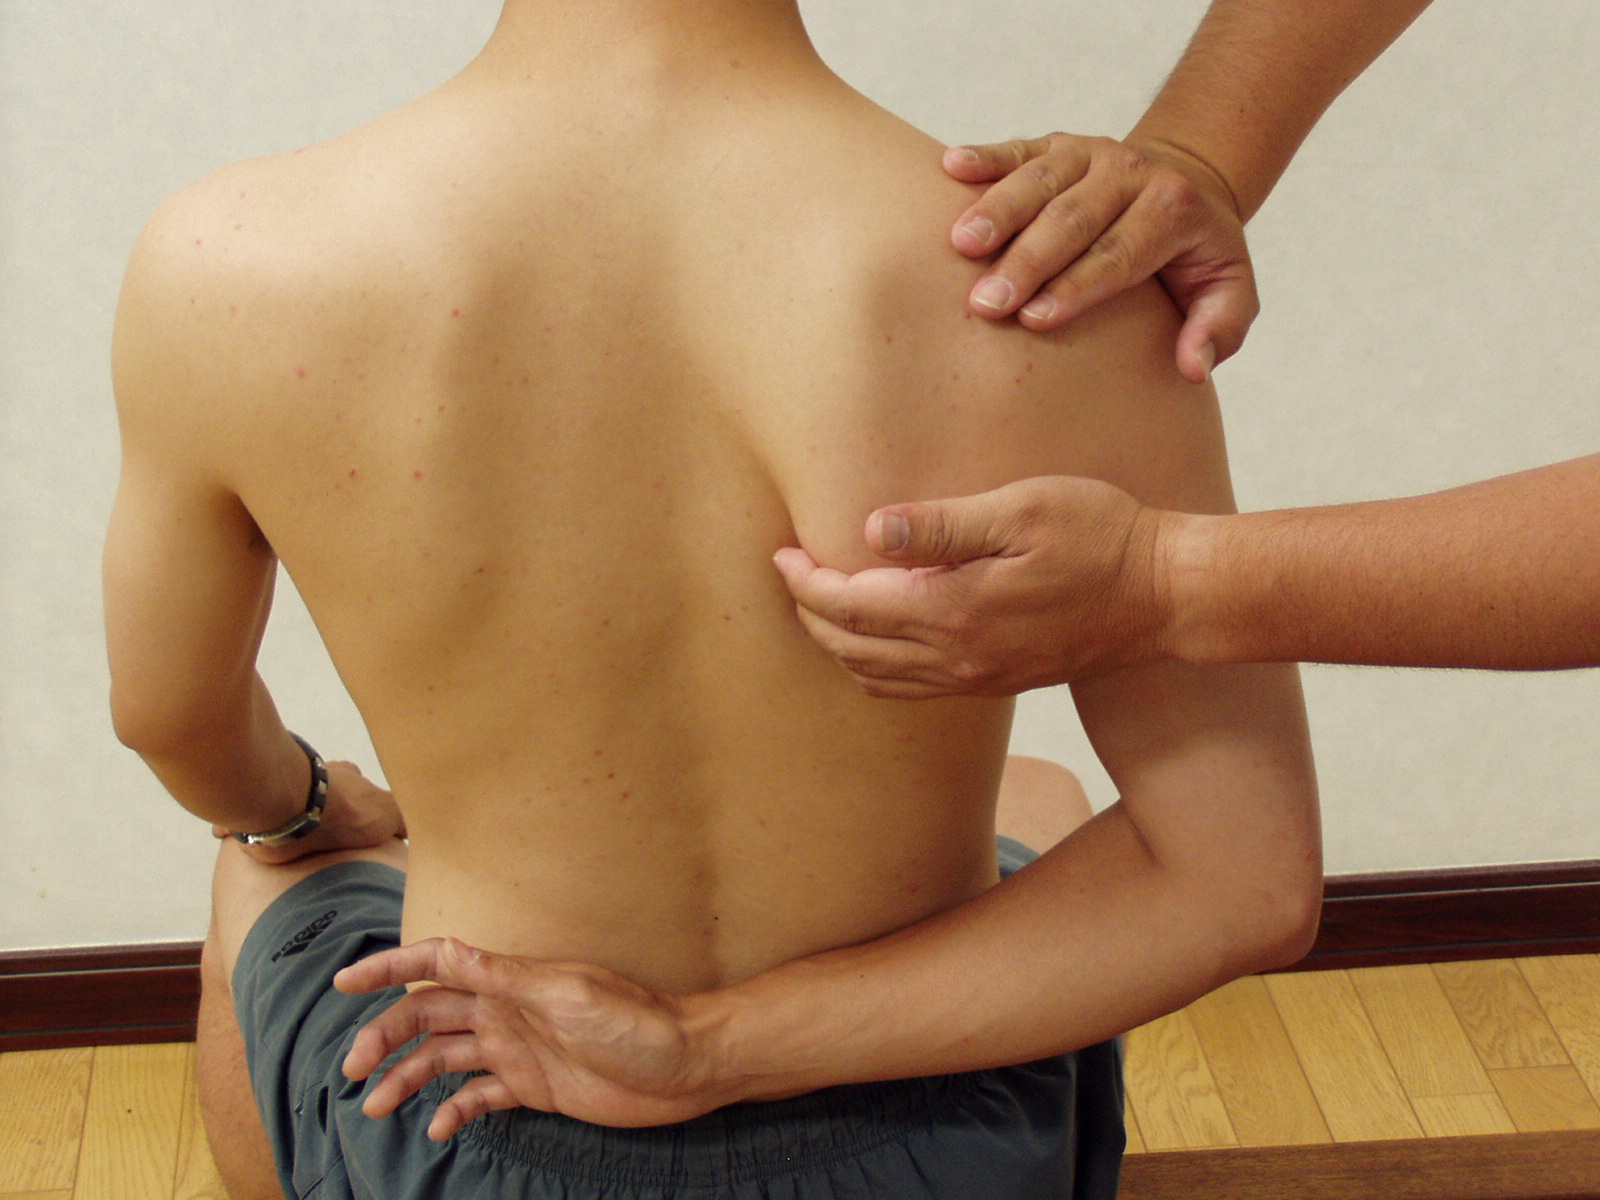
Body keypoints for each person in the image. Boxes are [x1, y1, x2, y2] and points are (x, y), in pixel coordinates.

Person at [103, 2, 1319, 1198]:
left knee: (261, 860)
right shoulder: (1065, 268)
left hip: (482, 1128)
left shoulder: (227, 263)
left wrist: (304, 811)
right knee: (1038, 792)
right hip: (941, 1139)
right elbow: (1241, 886)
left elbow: (170, 720)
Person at [775, 0, 1600, 692]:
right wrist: (1199, 152)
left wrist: (1169, 582)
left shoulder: (1030, 275)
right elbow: (1238, 846)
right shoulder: (1023, 287)